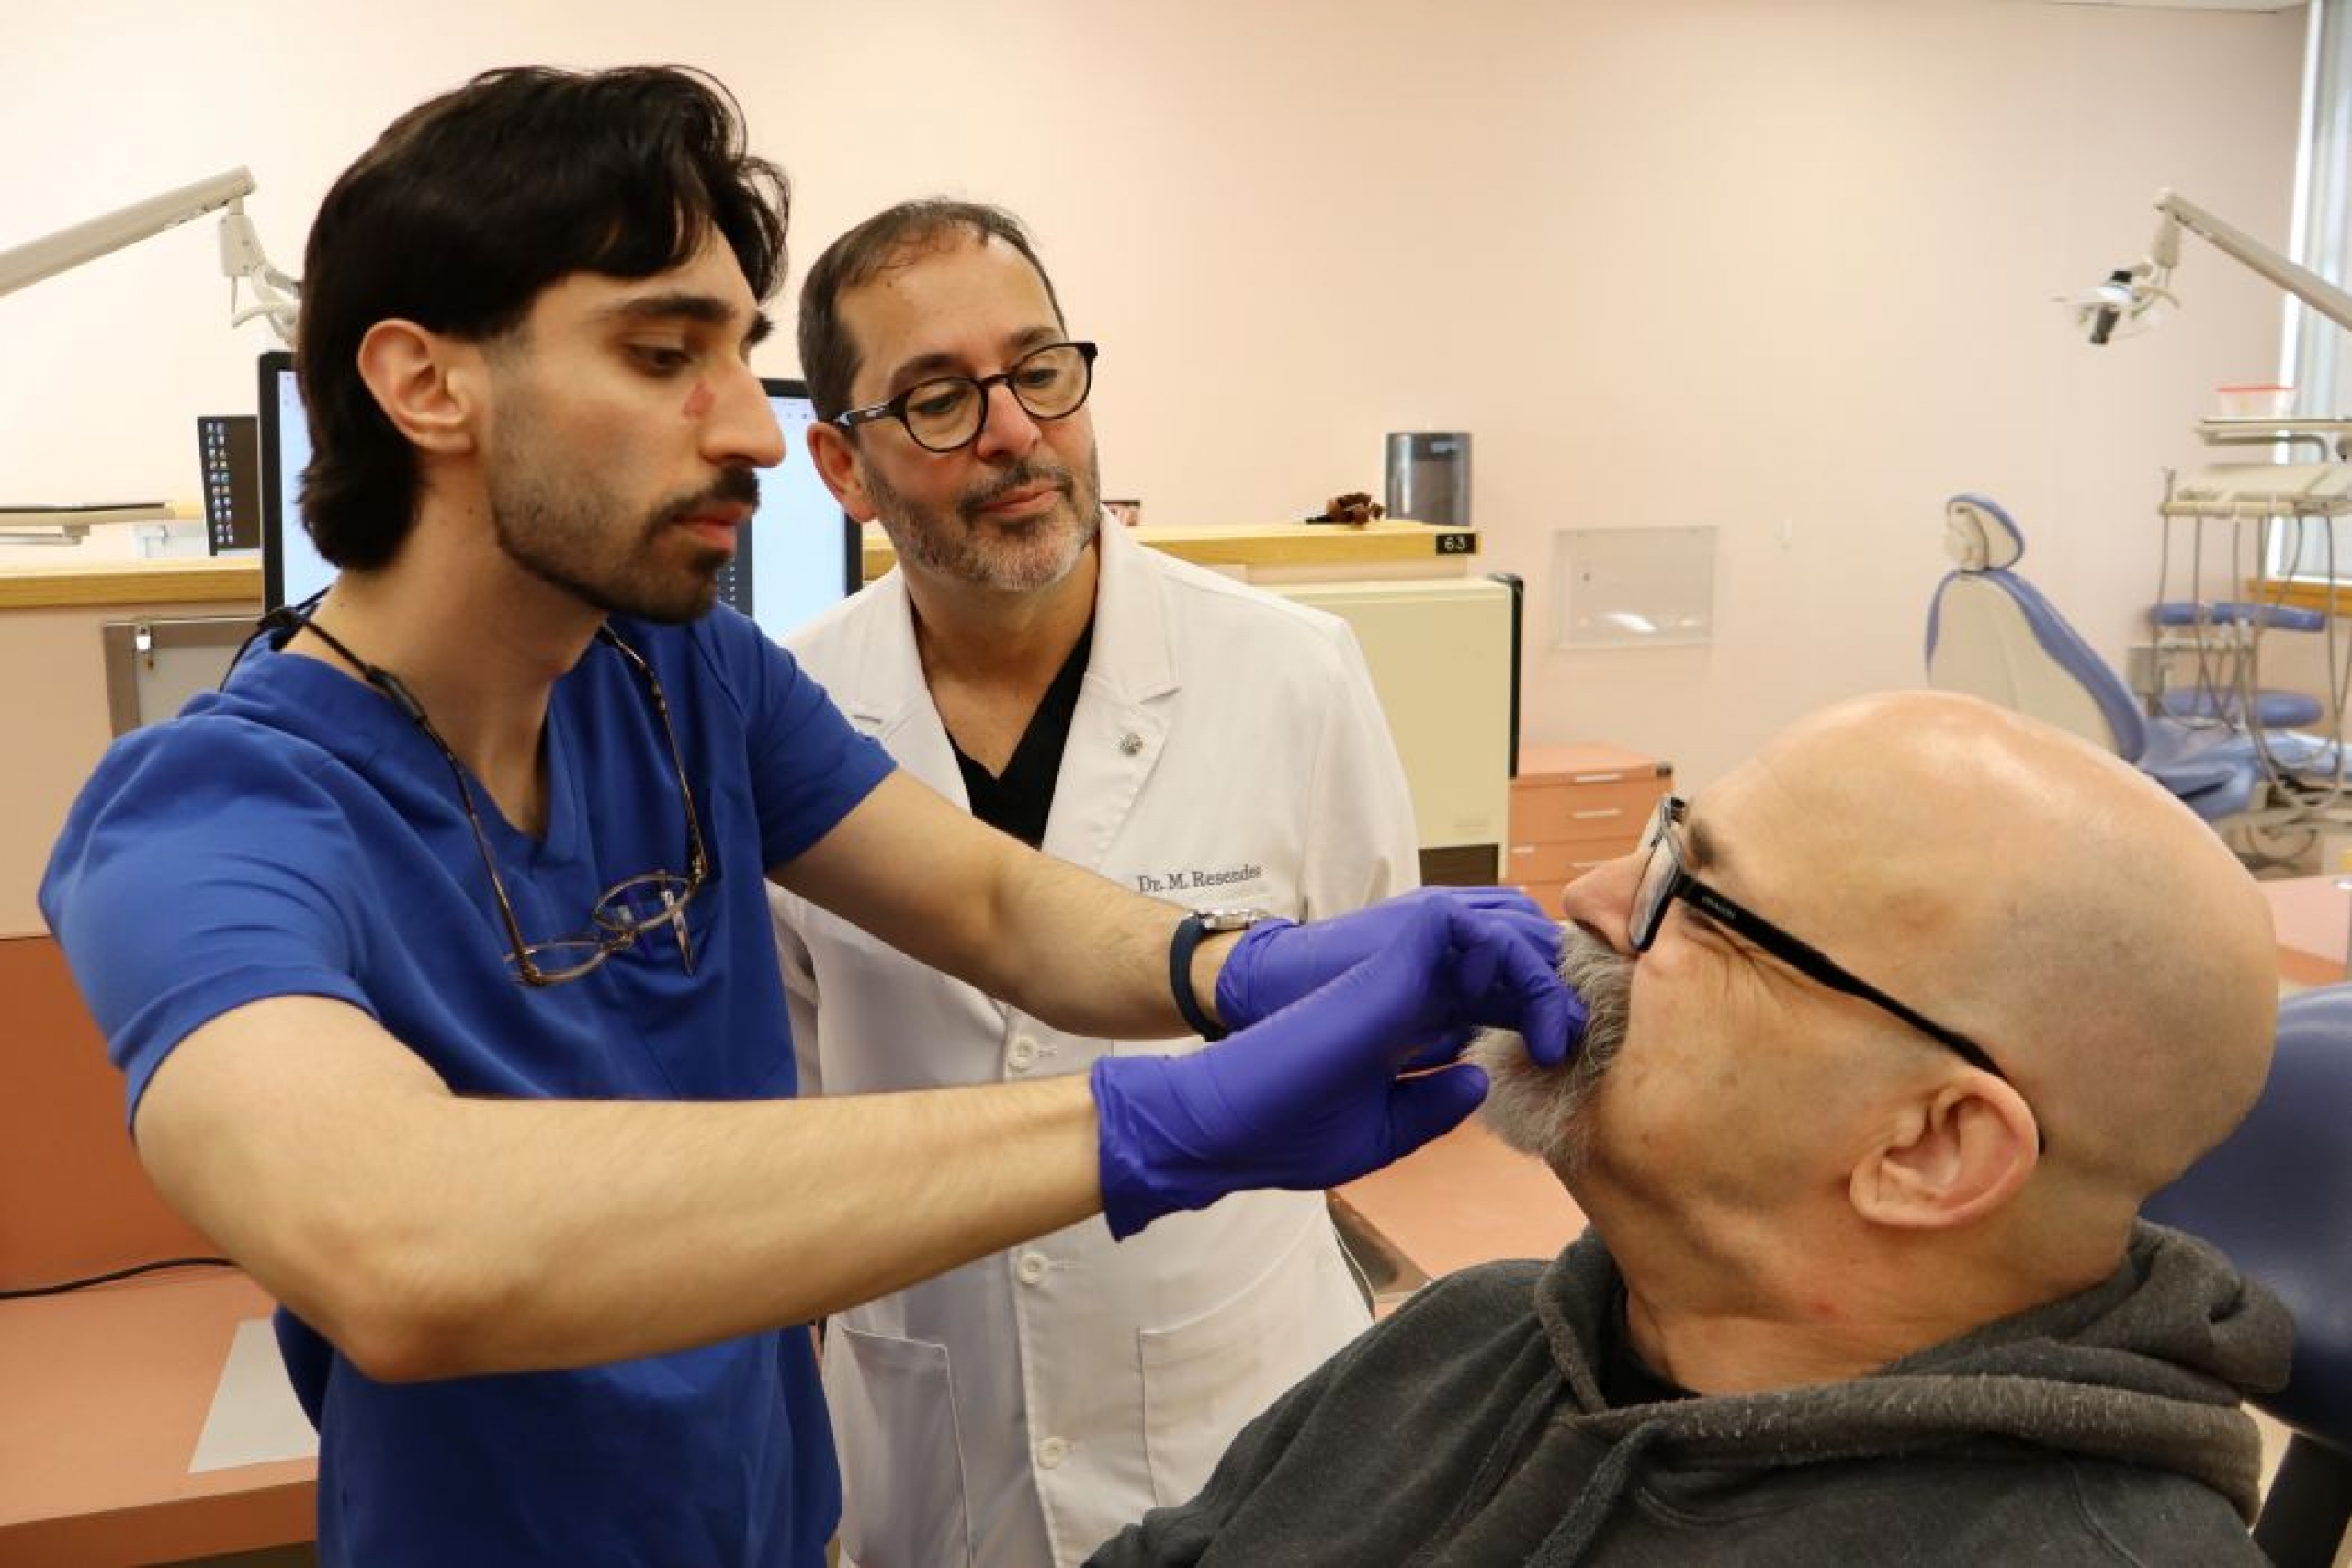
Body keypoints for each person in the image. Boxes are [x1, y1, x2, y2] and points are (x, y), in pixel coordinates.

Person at [36, 67, 1577, 1568]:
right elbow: (398, 1248)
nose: (756, 437)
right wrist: (1148, 1120)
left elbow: (991, 908)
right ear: (425, 382)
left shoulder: (683, 676)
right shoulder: (205, 821)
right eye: (661, 357)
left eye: (742, 358)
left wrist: (1229, 972)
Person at [1091, 690, 2292, 1567]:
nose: (1590, 897)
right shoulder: (1461, 1337)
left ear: (1928, 1150)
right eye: (1665, 835)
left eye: (1695, 897)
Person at [769, 198, 1423, 1566]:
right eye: (938, 399)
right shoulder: (791, 713)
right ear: (841, 463)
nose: (1014, 431)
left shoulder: (1291, 674)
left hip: (1243, 1417)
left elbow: (1376, 1028)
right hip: (934, 1445)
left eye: (1041, 370)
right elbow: (788, 1125)